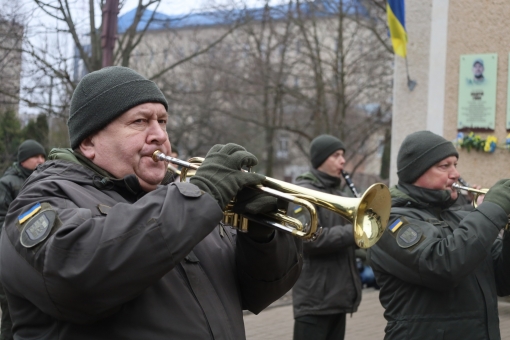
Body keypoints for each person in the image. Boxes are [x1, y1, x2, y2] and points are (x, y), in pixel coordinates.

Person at [0, 66, 302, 339]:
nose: (159, 135)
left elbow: (258, 292)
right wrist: (200, 195)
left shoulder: (183, 200)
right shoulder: (43, 200)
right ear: (89, 142)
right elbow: (76, 279)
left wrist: (262, 236)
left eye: (163, 121)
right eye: (140, 121)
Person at [368, 130, 510, 339]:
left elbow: (503, 280)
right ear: (416, 172)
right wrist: (492, 209)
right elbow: (443, 265)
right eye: (444, 166)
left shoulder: (460, 215)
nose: (455, 174)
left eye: (455, 165)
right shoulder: (390, 221)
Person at [292, 134, 362, 340]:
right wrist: (357, 232)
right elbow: (309, 239)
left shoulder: (339, 193)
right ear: (321, 159)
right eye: (336, 155)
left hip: (338, 296)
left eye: (343, 155)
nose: (343, 160)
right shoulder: (303, 192)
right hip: (315, 299)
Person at [0, 139, 46, 340]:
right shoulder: (7, 183)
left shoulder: (44, 179)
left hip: (36, 255)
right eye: (35, 156)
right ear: (23, 160)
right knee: (11, 311)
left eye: (43, 156)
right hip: (10, 255)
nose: (41, 160)